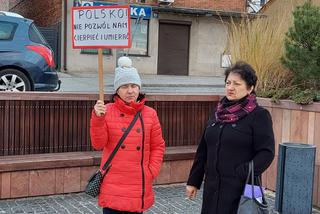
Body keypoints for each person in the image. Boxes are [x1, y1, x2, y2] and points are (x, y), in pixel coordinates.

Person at [186, 61, 275, 214]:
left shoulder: (259, 115)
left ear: (250, 88)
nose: (230, 87)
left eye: (237, 84)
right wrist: (194, 181)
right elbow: (204, 149)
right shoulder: (218, 113)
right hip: (212, 188)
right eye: (228, 83)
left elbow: (266, 152)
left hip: (241, 188)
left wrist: (243, 172)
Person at [90, 56, 165, 214]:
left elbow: (158, 146)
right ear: (117, 90)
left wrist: (151, 171)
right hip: (113, 184)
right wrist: (98, 119)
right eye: (124, 86)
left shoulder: (150, 114)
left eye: (133, 85)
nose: (130, 91)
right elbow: (98, 144)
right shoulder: (106, 110)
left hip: (138, 184)